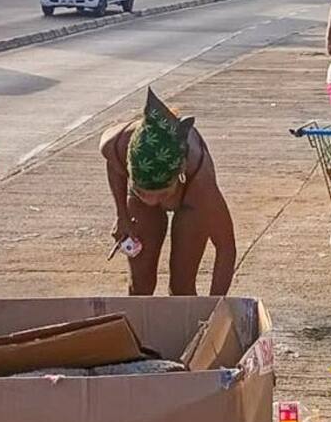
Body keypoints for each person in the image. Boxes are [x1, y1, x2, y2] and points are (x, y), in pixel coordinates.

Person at [100, 89, 236, 297]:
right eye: (143, 191)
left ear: (180, 173)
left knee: (182, 287)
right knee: (140, 286)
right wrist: (122, 214)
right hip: (144, 194)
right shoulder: (115, 144)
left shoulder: (201, 181)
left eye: (162, 194)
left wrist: (215, 306)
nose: (153, 202)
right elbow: (114, 166)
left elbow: (226, 248)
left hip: (189, 199)